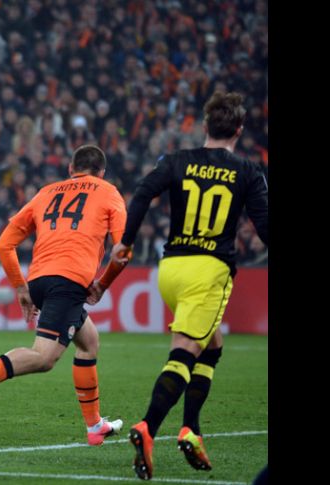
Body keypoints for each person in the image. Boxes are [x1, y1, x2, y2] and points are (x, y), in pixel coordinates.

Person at [109, 92, 268, 480]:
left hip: (171, 269)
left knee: (212, 348)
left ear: (205, 126)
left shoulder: (177, 160)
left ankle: (191, 429)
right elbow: (264, 227)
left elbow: (143, 193)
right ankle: (148, 427)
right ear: (239, 130)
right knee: (183, 354)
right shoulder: (247, 171)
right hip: (209, 271)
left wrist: (125, 241)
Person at [0, 145, 131, 446]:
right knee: (44, 357)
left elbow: (3, 245)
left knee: (89, 343)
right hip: (69, 281)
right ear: (102, 172)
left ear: (69, 168)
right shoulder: (108, 192)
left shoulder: (46, 192)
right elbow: (122, 250)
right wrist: (102, 284)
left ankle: (94, 426)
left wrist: (21, 287)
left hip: (39, 279)